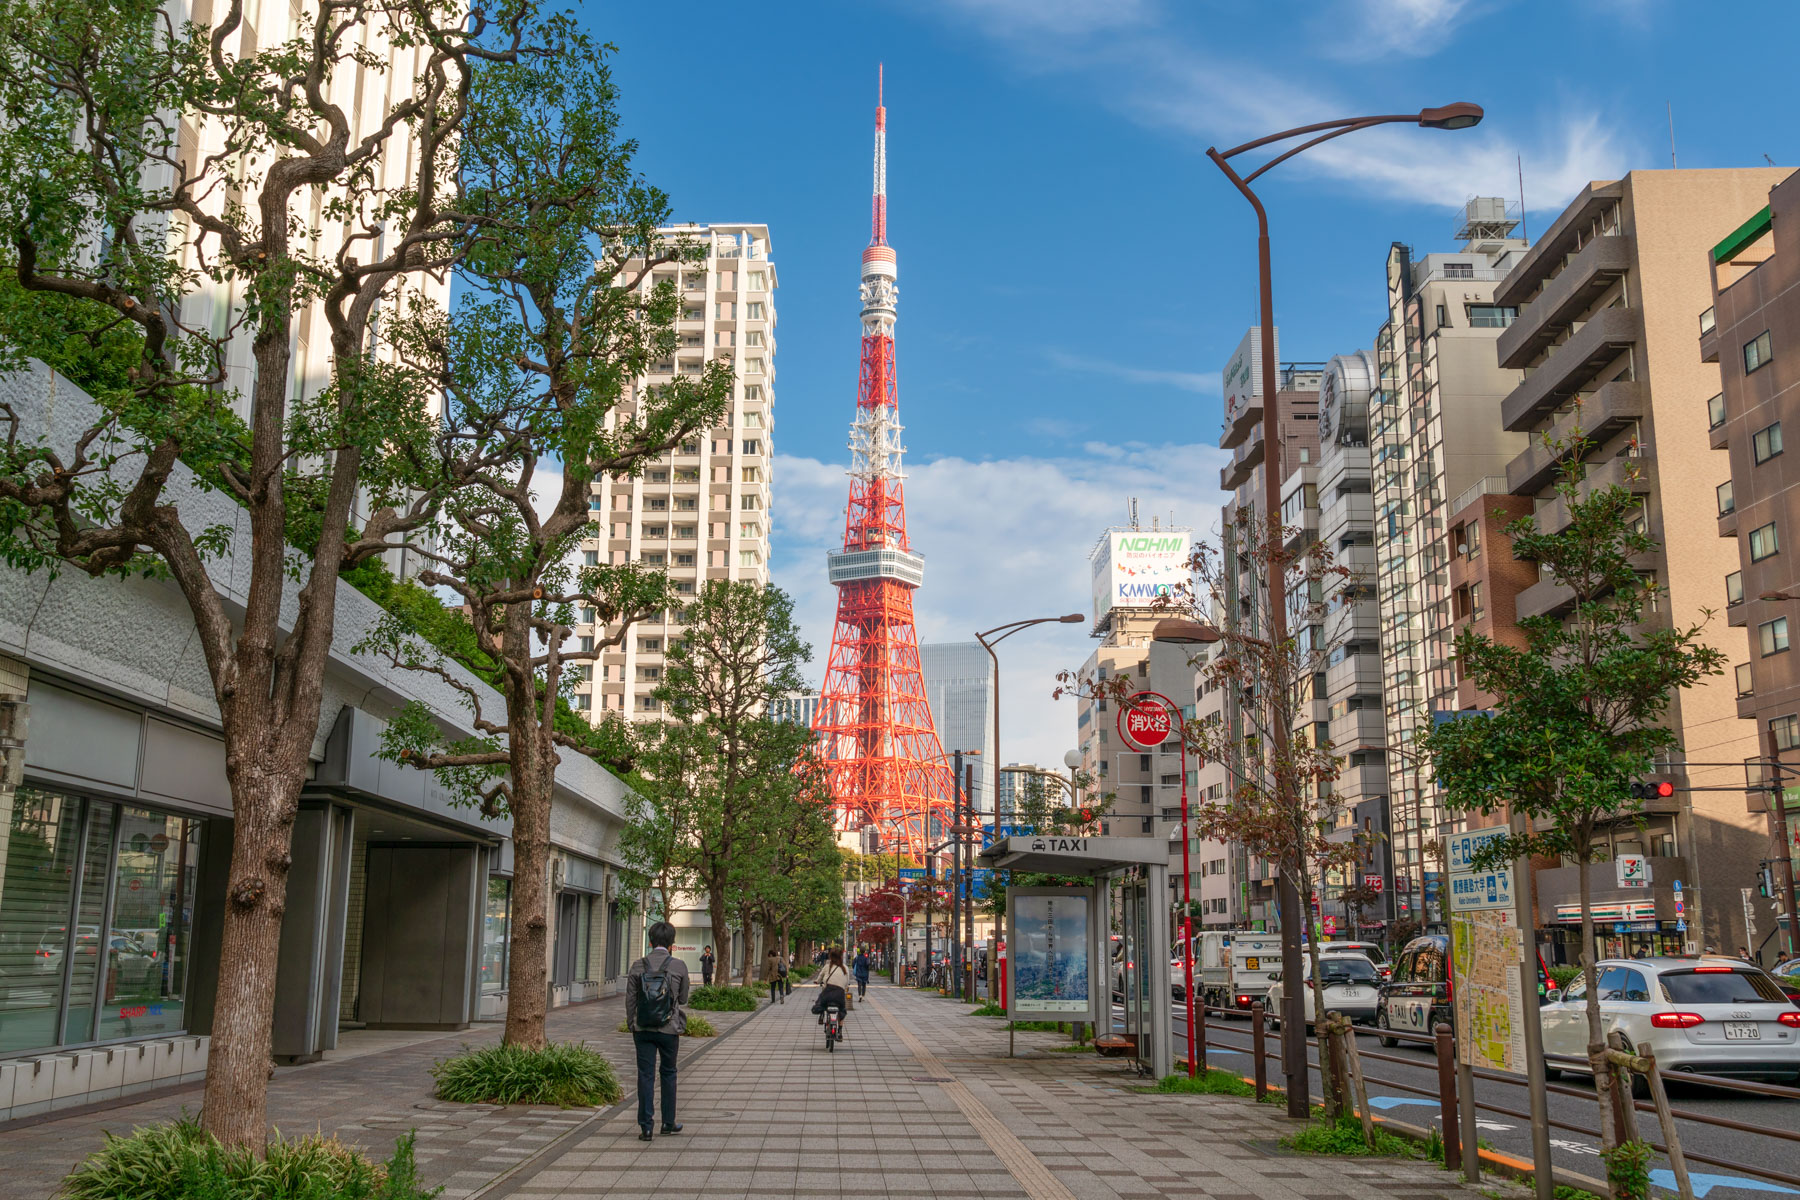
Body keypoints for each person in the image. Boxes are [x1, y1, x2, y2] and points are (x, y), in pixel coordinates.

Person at [627, 920, 690, 1142]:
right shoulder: (679, 966)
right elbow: (683, 998)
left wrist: (631, 1024)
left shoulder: (637, 966)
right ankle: (668, 1122)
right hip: (669, 1028)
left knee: (645, 1075)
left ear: (650, 941)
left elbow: (630, 1001)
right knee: (669, 1072)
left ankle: (646, 1126)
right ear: (672, 944)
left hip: (643, 1028)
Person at [813, 947, 854, 1037]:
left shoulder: (827, 967)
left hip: (828, 992)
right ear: (841, 957)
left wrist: (817, 981)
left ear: (830, 956)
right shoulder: (845, 968)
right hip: (839, 994)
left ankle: (821, 1014)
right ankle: (840, 1030)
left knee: (820, 1002)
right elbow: (846, 983)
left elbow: (819, 978)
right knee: (842, 1010)